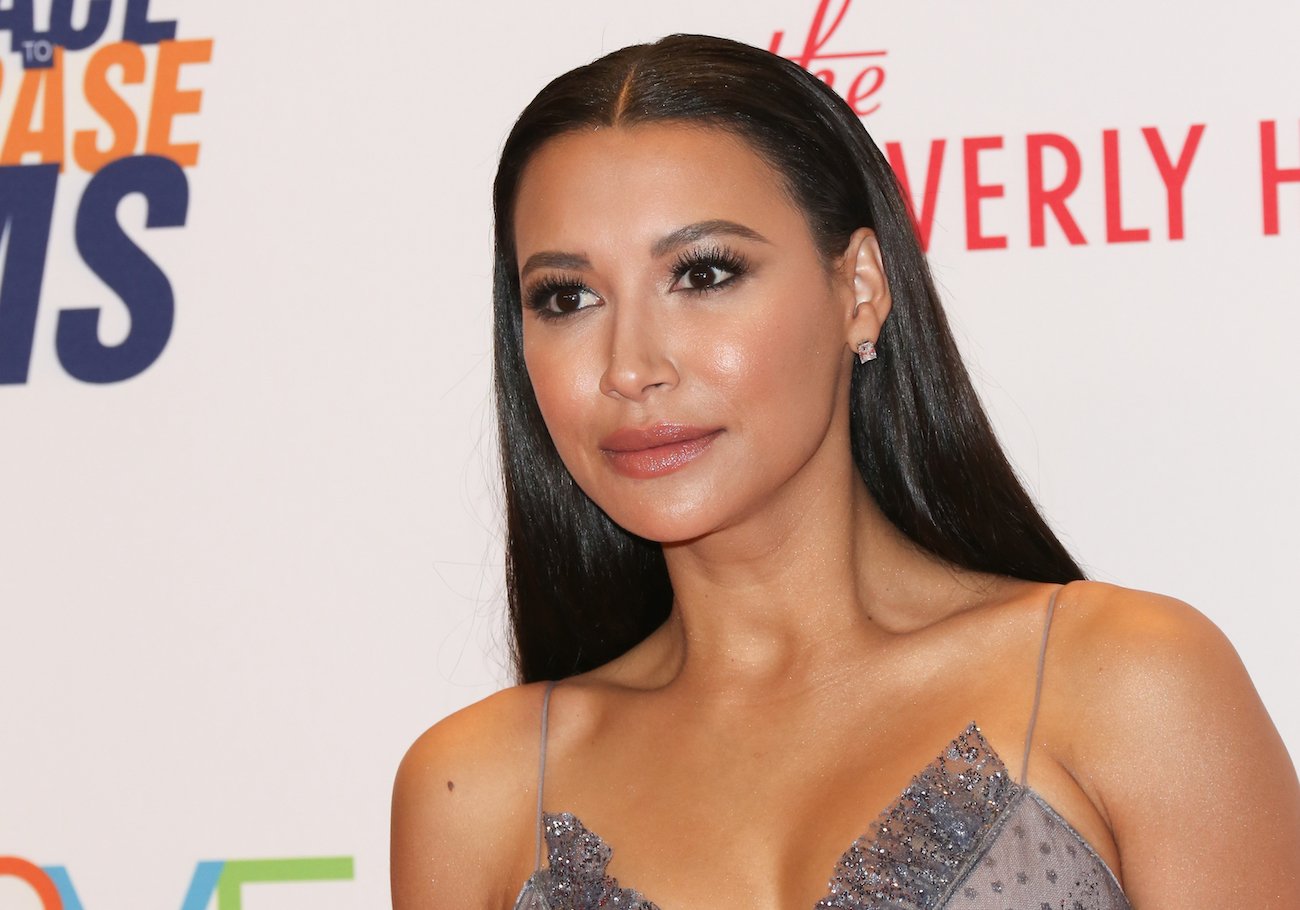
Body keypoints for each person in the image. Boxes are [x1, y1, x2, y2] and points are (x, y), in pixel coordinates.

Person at [390, 33, 1300, 910]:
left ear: (859, 288)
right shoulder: (476, 794)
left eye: (703, 275)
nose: (630, 367)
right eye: (568, 296)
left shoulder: (1125, 684)